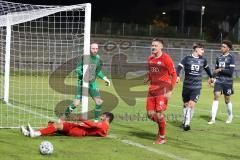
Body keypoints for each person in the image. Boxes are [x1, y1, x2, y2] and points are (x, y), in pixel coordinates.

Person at [65, 43, 111, 121]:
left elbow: (98, 71)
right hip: (82, 83)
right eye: (93, 48)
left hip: (92, 83)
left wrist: (105, 78)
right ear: (89, 49)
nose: (95, 50)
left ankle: (96, 121)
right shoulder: (84, 57)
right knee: (76, 103)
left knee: (99, 102)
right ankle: (65, 115)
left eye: (96, 48)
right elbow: (78, 69)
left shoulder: (97, 58)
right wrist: (84, 76)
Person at [144, 38, 177, 144]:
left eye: (156, 45)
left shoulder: (166, 59)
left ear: (161, 47)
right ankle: (162, 123)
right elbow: (151, 72)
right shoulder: (150, 59)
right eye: (152, 45)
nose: (153, 47)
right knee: (149, 114)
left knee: (159, 114)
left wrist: (170, 90)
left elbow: (174, 74)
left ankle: (162, 137)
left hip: (162, 90)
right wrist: (148, 78)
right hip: (152, 89)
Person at [176, 43, 213, 131]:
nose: (203, 52)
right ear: (196, 49)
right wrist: (177, 75)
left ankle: (187, 124)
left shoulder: (203, 60)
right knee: (186, 105)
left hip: (196, 87)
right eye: (202, 49)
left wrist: (211, 77)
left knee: (191, 105)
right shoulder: (187, 58)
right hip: (186, 86)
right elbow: (179, 67)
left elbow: (207, 69)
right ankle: (185, 121)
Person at [20, 112, 114, 137]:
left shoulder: (105, 125)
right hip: (79, 130)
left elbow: (94, 126)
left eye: (103, 116)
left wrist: (80, 118)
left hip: (78, 130)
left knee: (56, 126)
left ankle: (35, 134)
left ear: (107, 118)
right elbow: (94, 128)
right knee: (52, 125)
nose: (101, 117)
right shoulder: (104, 127)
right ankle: (29, 133)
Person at [208, 40, 235, 124]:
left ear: (228, 48)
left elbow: (230, 72)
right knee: (216, 96)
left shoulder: (231, 58)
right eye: (221, 46)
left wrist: (220, 69)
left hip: (228, 82)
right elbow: (216, 70)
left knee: (227, 100)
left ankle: (230, 116)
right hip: (219, 80)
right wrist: (211, 77)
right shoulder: (218, 57)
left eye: (224, 47)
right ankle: (213, 119)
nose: (221, 48)